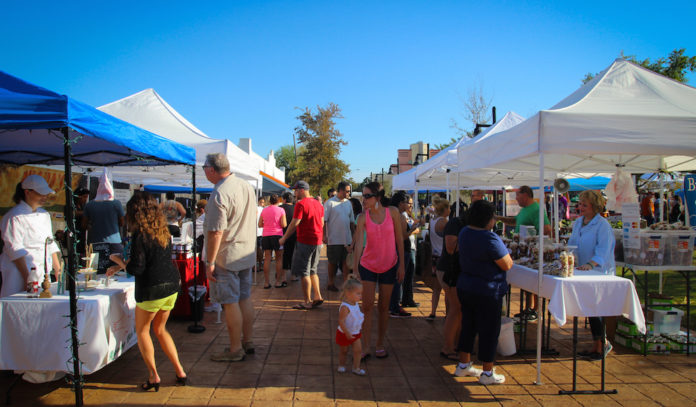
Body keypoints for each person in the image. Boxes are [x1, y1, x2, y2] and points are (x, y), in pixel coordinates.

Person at [106, 193, 186, 391]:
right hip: (170, 286)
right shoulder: (164, 231)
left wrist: (118, 261)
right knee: (161, 329)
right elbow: (151, 261)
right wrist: (121, 266)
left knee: (143, 331)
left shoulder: (141, 235)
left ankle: (153, 376)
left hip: (152, 290)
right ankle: (180, 371)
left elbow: (136, 269)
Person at [203, 153, 257, 363]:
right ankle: (248, 341)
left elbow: (216, 232)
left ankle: (235, 349)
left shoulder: (220, 192)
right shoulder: (245, 186)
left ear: (211, 170)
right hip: (245, 253)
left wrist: (210, 261)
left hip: (227, 255)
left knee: (229, 302)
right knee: (244, 298)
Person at [455, 199, 513, 385]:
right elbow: (507, 264)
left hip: (466, 286)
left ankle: (463, 365)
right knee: (489, 331)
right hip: (487, 289)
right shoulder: (489, 238)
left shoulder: (464, 232)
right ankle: (487, 373)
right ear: (488, 219)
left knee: (468, 326)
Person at [352, 182, 404, 359]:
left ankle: (379, 343)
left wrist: (402, 265)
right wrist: (354, 267)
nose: (363, 199)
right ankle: (366, 346)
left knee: (384, 307)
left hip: (389, 265)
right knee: (366, 306)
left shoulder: (393, 213)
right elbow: (359, 244)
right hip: (368, 265)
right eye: (363, 196)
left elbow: (399, 240)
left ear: (378, 197)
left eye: (367, 196)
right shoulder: (362, 218)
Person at [569, 190, 616, 361]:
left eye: (584, 205)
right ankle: (596, 342)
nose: (580, 207)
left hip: (599, 272)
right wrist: (570, 257)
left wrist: (590, 264)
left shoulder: (603, 225)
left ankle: (602, 343)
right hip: (582, 271)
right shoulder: (578, 223)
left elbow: (603, 251)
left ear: (594, 207)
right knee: (590, 308)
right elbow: (572, 244)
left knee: (598, 309)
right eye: (580, 204)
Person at [437, 189, 484, 359]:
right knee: (456, 309)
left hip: (457, 270)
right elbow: (450, 248)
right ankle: (448, 347)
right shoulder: (456, 224)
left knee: (457, 310)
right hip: (450, 270)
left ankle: (456, 344)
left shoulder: (465, 225)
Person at [1, 175, 62, 297]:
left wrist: (57, 268)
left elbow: (50, 242)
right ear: (27, 192)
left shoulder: (44, 214)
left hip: (41, 271)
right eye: (41, 194)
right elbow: (14, 249)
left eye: (45, 194)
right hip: (18, 273)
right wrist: (27, 278)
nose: (44, 197)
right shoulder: (14, 216)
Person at [499, 185, 550, 321]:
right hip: (522, 252)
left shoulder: (537, 209)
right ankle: (528, 308)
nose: (516, 199)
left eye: (518, 196)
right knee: (526, 281)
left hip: (532, 252)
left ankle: (535, 309)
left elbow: (546, 229)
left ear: (526, 194)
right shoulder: (525, 210)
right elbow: (516, 221)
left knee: (533, 281)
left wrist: (533, 242)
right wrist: (499, 218)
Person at [280, 180, 325, 310]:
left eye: (295, 190)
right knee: (313, 270)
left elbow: (295, 223)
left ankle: (307, 301)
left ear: (301, 190)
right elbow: (322, 223)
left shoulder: (300, 204)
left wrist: (284, 238)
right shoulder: (319, 204)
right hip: (317, 241)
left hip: (305, 241)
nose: (294, 193)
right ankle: (318, 296)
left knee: (304, 272)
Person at [83, 170, 125, 272]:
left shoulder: (89, 205)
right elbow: (122, 223)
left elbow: (83, 225)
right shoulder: (116, 204)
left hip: (94, 242)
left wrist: (94, 225)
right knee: (116, 271)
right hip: (114, 243)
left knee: (95, 272)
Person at [324, 181, 355, 292]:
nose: (348, 193)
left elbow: (351, 221)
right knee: (332, 262)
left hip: (346, 239)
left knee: (346, 263)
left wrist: (353, 236)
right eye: (347, 191)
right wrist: (324, 235)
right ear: (340, 190)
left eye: (349, 191)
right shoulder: (330, 203)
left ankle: (346, 284)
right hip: (333, 239)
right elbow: (324, 221)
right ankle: (331, 283)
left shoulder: (348, 203)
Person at [388, 191, 416, 317]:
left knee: (395, 279)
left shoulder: (390, 213)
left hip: (394, 249)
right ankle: (394, 306)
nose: (409, 205)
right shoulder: (399, 216)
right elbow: (403, 236)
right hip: (402, 249)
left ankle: (392, 305)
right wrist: (413, 229)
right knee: (398, 278)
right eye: (407, 202)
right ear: (401, 203)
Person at [427, 195, 450, 321]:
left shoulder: (433, 220)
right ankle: (448, 314)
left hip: (435, 255)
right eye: (449, 208)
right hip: (444, 257)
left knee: (436, 288)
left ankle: (433, 312)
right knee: (447, 288)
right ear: (444, 209)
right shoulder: (443, 222)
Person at [336, 277, 365, 376]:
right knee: (344, 350)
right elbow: (341, 321)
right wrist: (347, 333)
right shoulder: (345, 307)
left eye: (361, 293)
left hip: (355, 332)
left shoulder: (355, 303)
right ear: (348, 293)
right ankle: (341, 364)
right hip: (345, 333)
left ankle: (356, 368)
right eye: (358, 293)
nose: (360, 296)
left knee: (358, 350)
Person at [259, 194, 287, 288]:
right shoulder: (281, 210)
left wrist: (267, 225)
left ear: (269, 201)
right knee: (279, 259)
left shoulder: (264, 209)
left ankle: (266, 282)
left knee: (267, 258)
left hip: (266, 236)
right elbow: (284, 224)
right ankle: (278, 282)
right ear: (278, 201)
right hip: (277, 235)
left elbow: (259, 224)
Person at [400, 195, 421, 308]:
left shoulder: (408, 215)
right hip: (408, 247)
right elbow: (409, 230)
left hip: (411, 246)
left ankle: (407, 298)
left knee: (409, 275)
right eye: (409, 204)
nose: (411, 206)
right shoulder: (403, 215)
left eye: (412, 204)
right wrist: (415, 229)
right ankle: (407, 299)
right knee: (408, 275)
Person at [280, 192, 297, 282]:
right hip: (295, 235)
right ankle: (293, 276)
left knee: (284, 256)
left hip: (282, 235)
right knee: (293, 255)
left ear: (285, 199)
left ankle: (283, 277)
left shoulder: (280, 208)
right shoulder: (296, 208)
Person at [255, 196, 266, 271]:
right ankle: (259, 265)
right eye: (261, 202)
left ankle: (259, 265)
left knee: (258, 249)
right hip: (258, 232)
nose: (262, 203)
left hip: (260, 232)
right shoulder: (261, 209)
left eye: (263, 202)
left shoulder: (263, 209)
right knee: (259, 249)